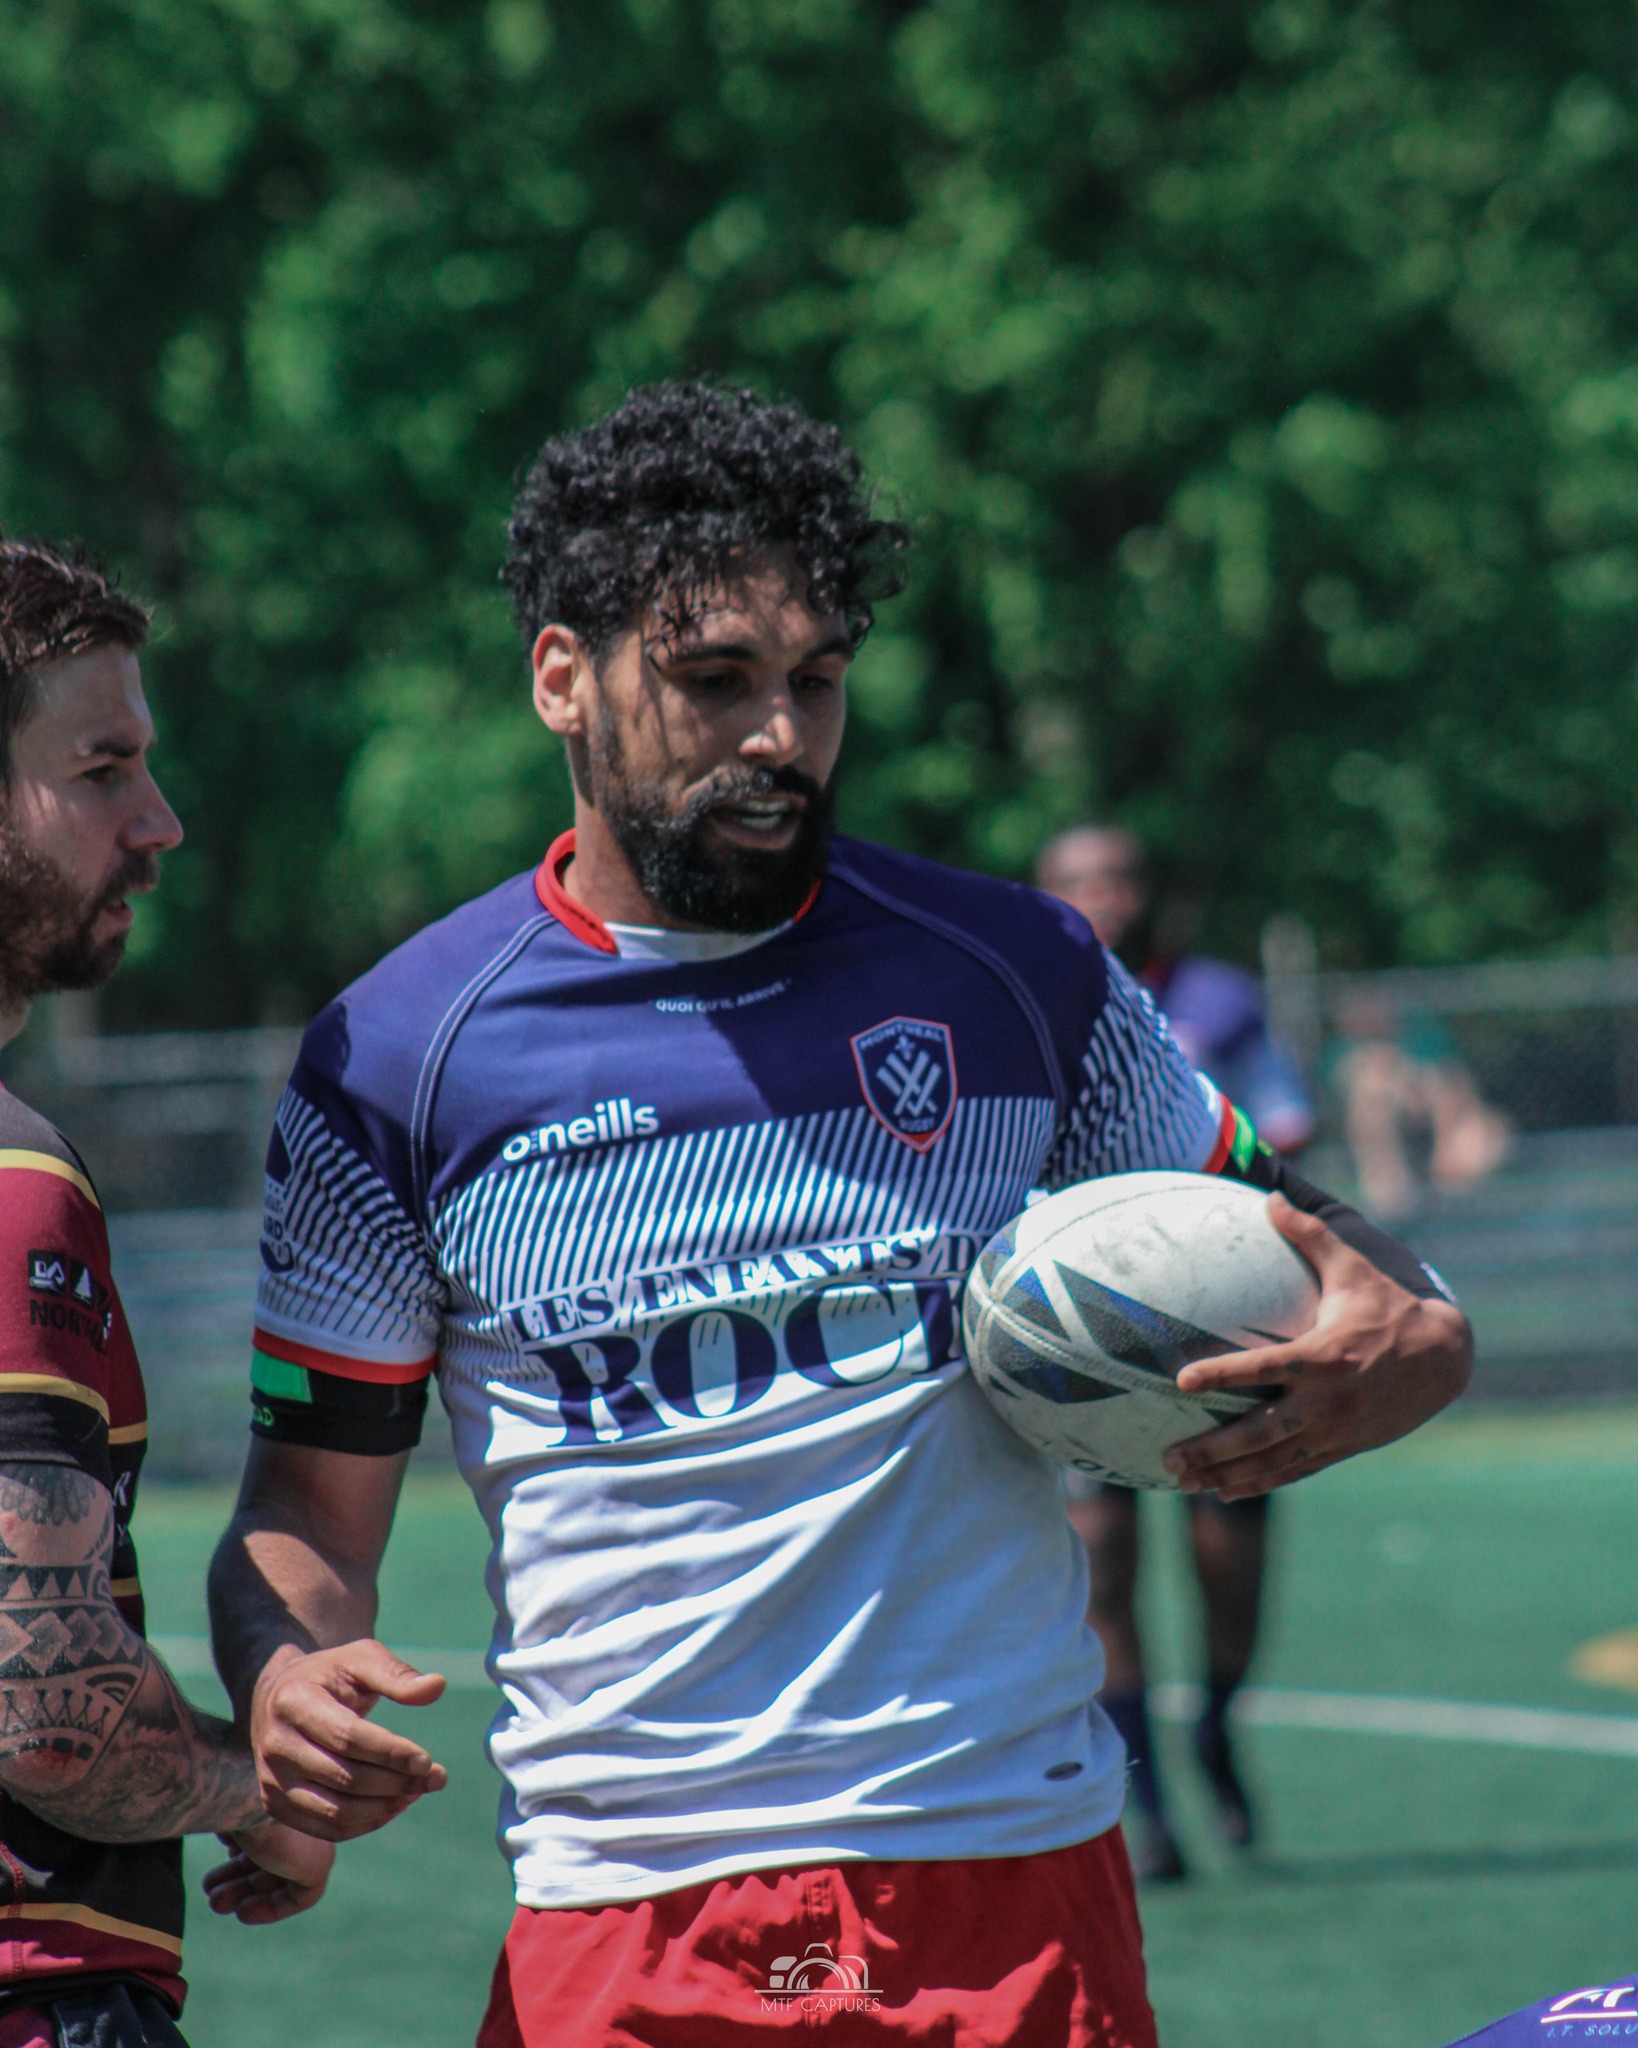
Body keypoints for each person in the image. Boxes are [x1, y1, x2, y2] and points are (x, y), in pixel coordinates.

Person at [206, 383, 1472, 2048]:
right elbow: (304, 1509)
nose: (778, 736)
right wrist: (286, 1681)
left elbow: (1340, 1265)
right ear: (559, 678)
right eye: (715, 679)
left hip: (1006, 1876)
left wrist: (1417, 1334)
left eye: (814, 681)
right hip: (627, 1908)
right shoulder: (398, 1057)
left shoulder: (1020, 978)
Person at [0, 539, 334, 2048]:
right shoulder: (10, 1181)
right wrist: (260, 1791)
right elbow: (47, 1713)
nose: (160, 823)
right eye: (104, 767)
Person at [1035, 823, 1314, 1882]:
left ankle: (1219, 1721)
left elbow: (1288, 1131)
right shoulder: (1024, 1011)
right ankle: (1148, 1806)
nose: (1103, 892)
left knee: (1229, 1565)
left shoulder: (1221, 1003)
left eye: (1119, 873)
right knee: (1103, 1560)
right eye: (1077, 880)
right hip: (1078, 1338)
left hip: (1230, 1327)